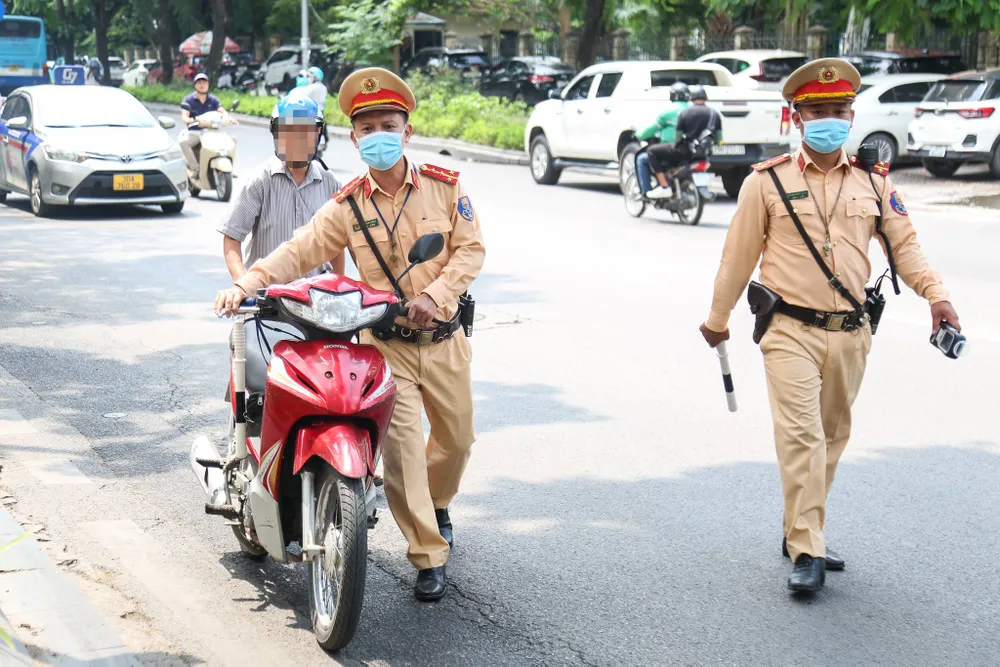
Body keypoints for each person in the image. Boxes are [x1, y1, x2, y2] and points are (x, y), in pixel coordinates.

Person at [214, 68, 485, 602]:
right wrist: (248, 281)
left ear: (406, 130)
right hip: (387, 346)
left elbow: (471, 249)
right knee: (403, 453)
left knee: (457, 442)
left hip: (446, 339)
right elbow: (300, 250)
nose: (378, 135)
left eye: (388, 124)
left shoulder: (444, 185)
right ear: (355, 138)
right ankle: (429, 555)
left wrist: (437, 295)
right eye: (366, 128)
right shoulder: (348, 204)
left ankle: (438, 502)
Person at [699, 58, 960, 593]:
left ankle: (802, 526)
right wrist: (717, 319)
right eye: (818, 111)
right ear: (796, 117)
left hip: (851, 332)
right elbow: (737, 258)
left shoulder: (873, 182)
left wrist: (937, 297)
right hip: (788, 329)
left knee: (833, 436)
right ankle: (807, 548)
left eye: (839, 110)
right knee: (803, 435)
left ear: (852, 113)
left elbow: (905, 247)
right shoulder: (766, 183)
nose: (830, 119)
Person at [217, 96, 343, 282]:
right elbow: (232, 238)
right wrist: (243, 284)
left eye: (305, 131)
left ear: (317, 133)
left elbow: (336, 244)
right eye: (288, 131)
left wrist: (337, 286)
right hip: (269, 297)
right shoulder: (260, 180)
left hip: (315, 297)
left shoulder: (330, 183)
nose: (297, 139)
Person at [646, 85, 722, 199]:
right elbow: (719, 139)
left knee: (651, 151)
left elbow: (678, 137)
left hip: (685, 151)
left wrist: (677, 143)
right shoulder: (714, 114)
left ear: (692, 98)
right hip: (704, 154)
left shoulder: (685, 113)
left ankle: (664, 186)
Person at [634, 82, 690, 196]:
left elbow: (651, 129)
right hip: (691, 149)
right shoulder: (692, 109)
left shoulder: (668, 111)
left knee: (642, 159)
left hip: (671, 149)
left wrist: (638, 134)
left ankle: (649, 191)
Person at [179, 73, 231, 181]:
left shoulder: (213, 99)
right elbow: (184, 114)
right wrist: (188, 119)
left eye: (204, 83)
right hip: (195, 132)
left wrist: (229, 117)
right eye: (199, 83)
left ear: (208, 85)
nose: (202, 85)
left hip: (211, 132)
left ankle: (227, 166)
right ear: (195, 85)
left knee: (230, 142)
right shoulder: (189, 99)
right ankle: (195, 168)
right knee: (184, 142)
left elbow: (221, 111)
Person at [287, 67, 330, 149]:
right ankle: (323, 142)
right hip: (320, 111)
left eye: (309, 77)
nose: (308, 79)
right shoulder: (323, 87)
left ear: (315, 78)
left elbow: (304, 98)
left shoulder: (310, 88)